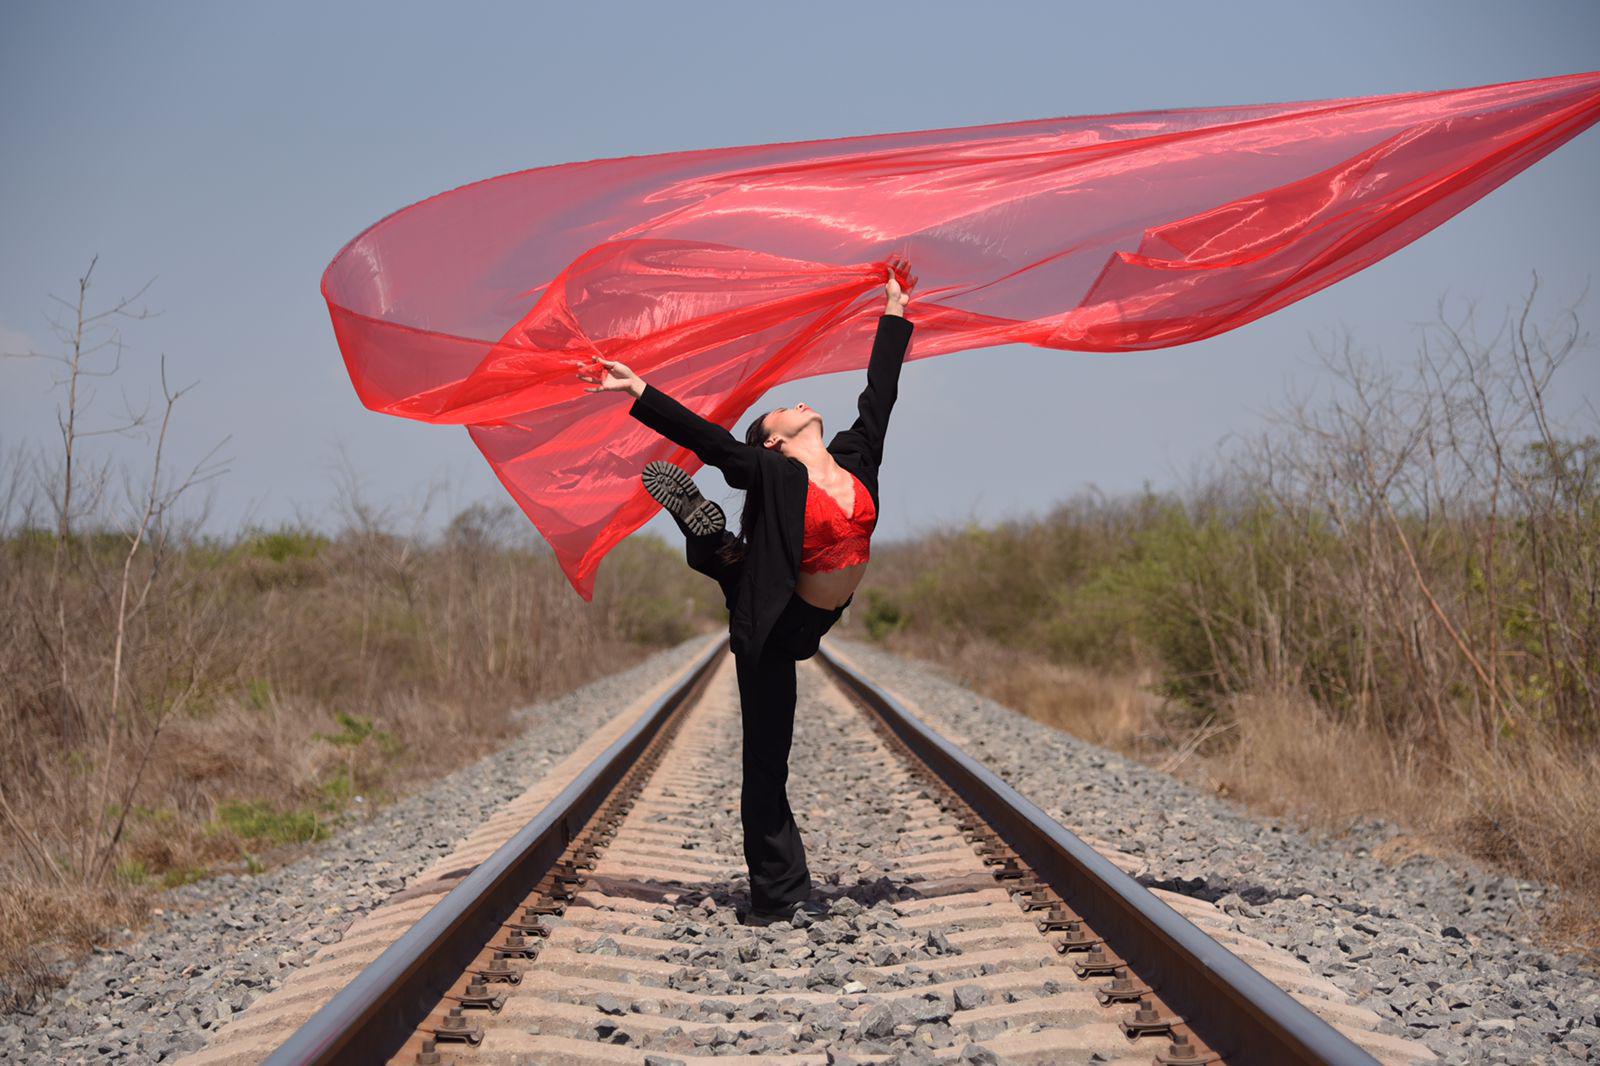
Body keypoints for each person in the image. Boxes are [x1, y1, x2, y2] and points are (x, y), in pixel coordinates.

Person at [577, 257, 916, 924]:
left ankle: (714, 544)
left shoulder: (856, 457)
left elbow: (881, 392)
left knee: (740, 560)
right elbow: (712, 443)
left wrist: (894, 309)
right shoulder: (773, 471)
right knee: (767, 758)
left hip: (808, 616)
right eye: (784, 409)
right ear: (773, 441)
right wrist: (638, 389)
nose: (800, 402)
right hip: (771, 626)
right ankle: (779, 896)